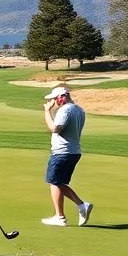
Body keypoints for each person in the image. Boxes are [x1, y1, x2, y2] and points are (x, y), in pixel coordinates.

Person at [40, 86, 93, 226]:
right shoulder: (79, 109)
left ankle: (61, 216)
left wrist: (47, 111)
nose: (54, 102)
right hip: (73, 151)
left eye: (54, 99)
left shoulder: (65, 110)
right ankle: (82, 206)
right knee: (59, 182)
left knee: (54, 182)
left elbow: (55, 128)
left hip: (62, 152)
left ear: (61, 97)